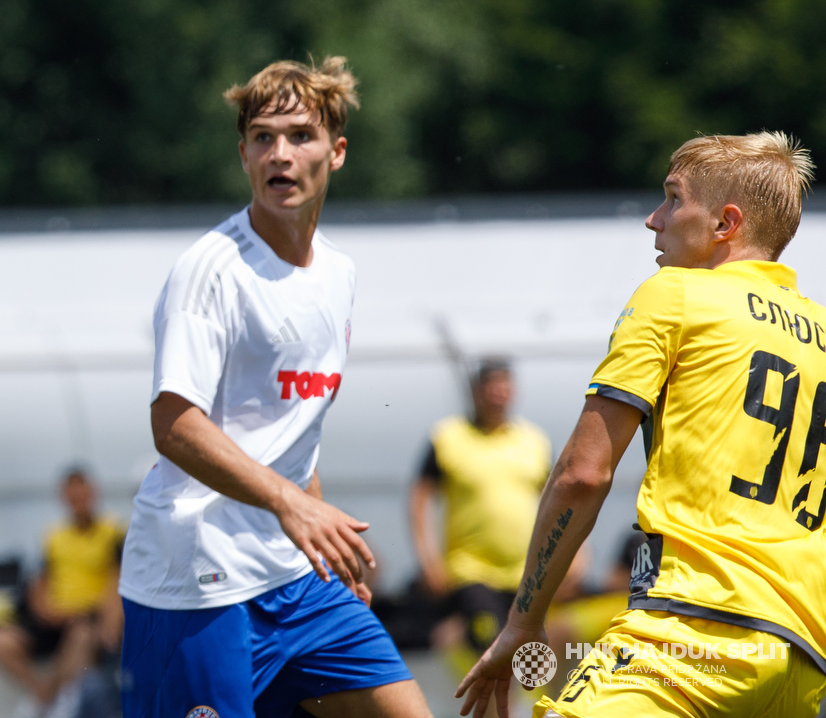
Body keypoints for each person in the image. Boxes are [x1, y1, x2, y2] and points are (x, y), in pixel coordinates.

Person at [457, 132, 826, 718]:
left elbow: (583, 473)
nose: (654, 220)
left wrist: (523, 621)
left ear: (725, 224)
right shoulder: (821, 332)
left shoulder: (675, 293)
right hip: (802, 657)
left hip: (693, 630)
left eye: (673, 200)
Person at [119, 57, 431, 718]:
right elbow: (174, 424)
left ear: (337, 152)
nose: (280, 154)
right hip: (195, 579)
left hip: (295, 578)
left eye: (299, 136)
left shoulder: (338, 274)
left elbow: (296, 430)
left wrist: (321, 546)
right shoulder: (209, 271)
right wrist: (294, 508)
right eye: (263, 138)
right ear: (242, 155)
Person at [408, 358, 550, 667]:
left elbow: (556, 501)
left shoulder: (534, 441)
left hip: (525, 574)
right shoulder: (447, 436)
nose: (498, 393)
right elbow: (420, 496)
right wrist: (427, 557)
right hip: (471, 570)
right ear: (475, 391)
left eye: (504, 385)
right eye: (491, 385)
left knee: (524, 653)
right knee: (490, 642)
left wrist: (577, 554)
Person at [0, 466, 125, 717]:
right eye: (72, 495)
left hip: (88, 618)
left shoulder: (113, 532)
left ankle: (54, 702)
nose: (78, 501)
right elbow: (39, 582)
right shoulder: (53, 536)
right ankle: (43, 694)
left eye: (82, 494)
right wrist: (45, 611)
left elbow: (118, 580)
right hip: (54, 618)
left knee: (81, 637)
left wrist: (108, 619)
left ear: (93, 494)